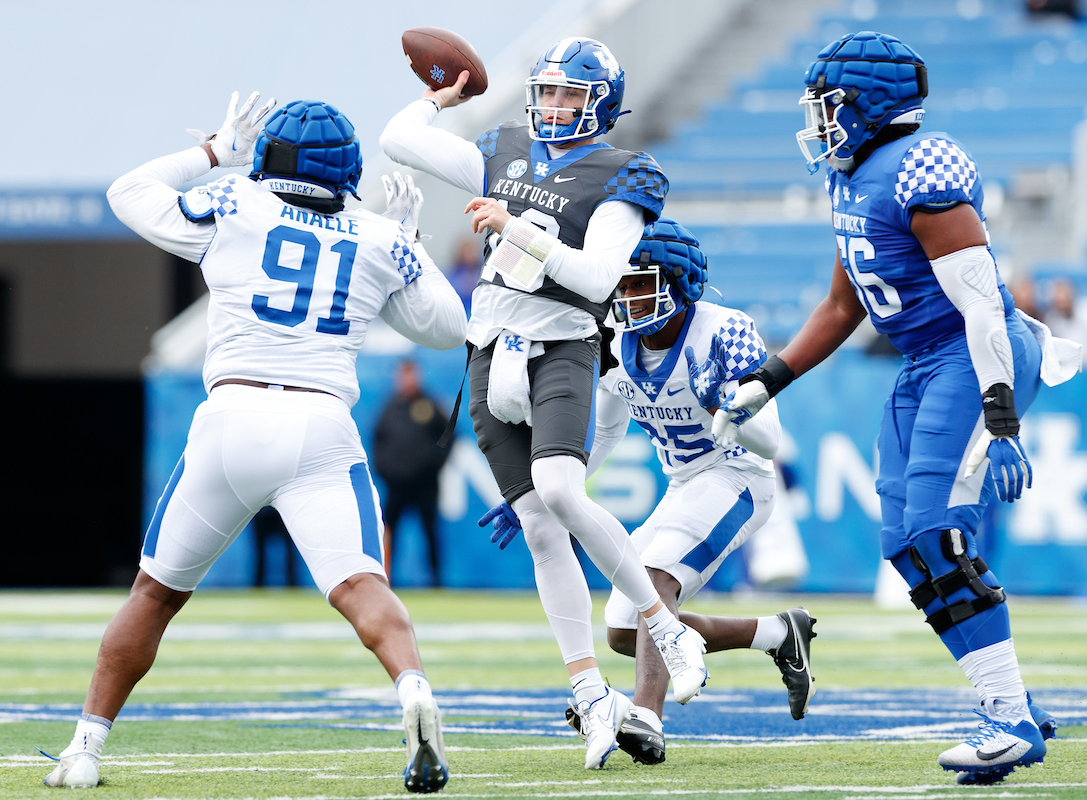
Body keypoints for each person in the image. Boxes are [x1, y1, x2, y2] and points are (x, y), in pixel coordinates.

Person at [41, 92, 467, 793]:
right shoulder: (376, 236)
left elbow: (129, 192)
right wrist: (409, 246)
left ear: (270, 156)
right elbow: (448, 329)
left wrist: (211, 151)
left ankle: (85, 748)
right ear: (347, 171)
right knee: (363, 585)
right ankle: (413, 686)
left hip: (232, 417)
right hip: (321, 426)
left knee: (153, 595)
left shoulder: (237, 201)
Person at [714, 32, 1080, 785]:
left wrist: (1002, 420)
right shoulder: (852, 180)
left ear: (869, 105)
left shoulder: (921, 169)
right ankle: (1011, 700)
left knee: (937, 535)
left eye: (829, 107)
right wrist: (768, 378)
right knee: (906, 546)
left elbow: (982, 308)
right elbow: (843, 304)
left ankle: (1008, 719)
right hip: (922, 364)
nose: (817, 123)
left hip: (977, 355)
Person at [380, 37, 711, 769]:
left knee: (562, 489)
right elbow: (398, 140)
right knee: (537, 525)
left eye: (571, 95)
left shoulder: (624, 172)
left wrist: (517, 230)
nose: (555, 106)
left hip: (563, 344)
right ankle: (591, 693)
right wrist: (440, 97)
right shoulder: (505, 149)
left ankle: (667, 630)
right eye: (549, 92)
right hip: (489, 347)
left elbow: (596, 280)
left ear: (601, 105)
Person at [484, 219, 817, 765]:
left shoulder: (724, 329)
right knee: (623, 627)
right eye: (625, 284)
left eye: (643, 283)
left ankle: (646, 718)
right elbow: (609, 430)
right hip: (684, 482)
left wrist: (729, 405)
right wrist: (547, 487)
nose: (630, 295)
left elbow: (771, 441)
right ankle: (779, 634)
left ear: (681, 282)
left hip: (738, 476)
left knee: (655, 581)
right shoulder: (615, 342)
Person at [373, 358, 451, 585]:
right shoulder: (389, 407)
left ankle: (436, 582)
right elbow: (378, 441)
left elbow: (448, 436)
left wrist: (434, 465)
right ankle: (386, 580)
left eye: (410, 374)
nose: (406, 380)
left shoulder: (430, 405)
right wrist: (386, 471)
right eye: (402, 375)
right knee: (389, 533)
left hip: (425, 484)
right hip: (396, 485)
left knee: (430, 532)